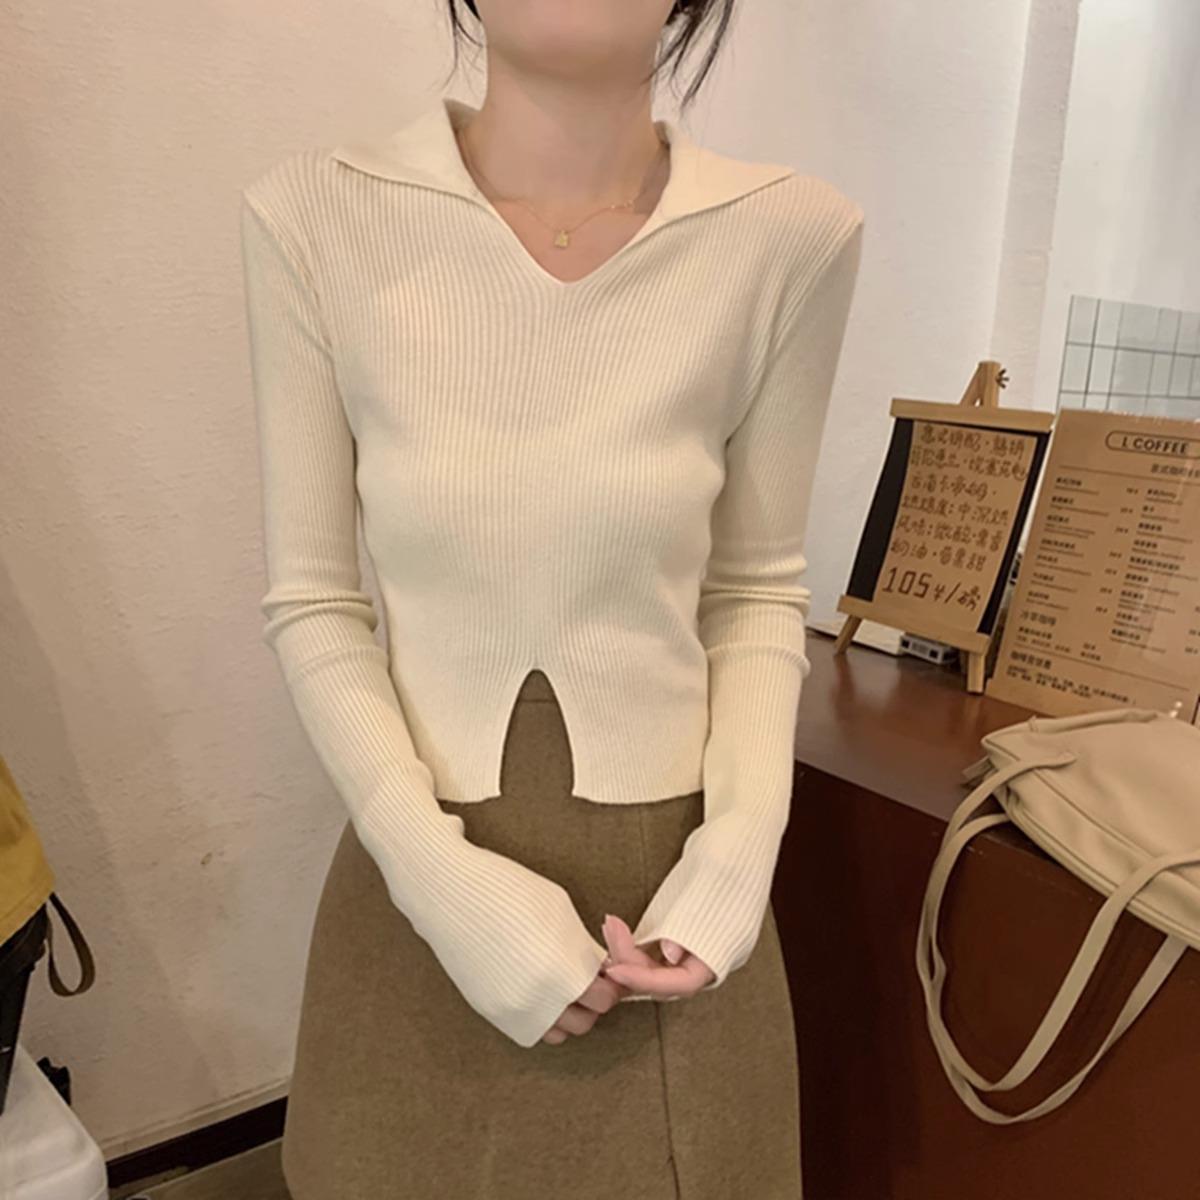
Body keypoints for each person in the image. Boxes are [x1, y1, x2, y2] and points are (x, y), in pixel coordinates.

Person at [238, 1, 864, 1196]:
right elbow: (314, 601)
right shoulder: (315, 214)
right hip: (418, 893)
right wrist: (446, 888)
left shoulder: (791, 236)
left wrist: (734, 870)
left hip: (669, 917)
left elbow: (754, 592)